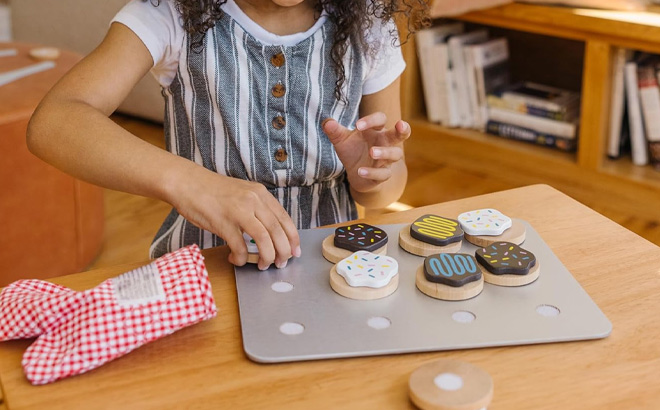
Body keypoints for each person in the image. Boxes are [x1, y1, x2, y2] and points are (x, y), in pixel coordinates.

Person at [26, 0, 428, 271]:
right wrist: (192, 183)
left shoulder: (370, 25)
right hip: (204, 267)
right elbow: (55, 122)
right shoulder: (170, 13)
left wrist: (370, 176)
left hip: (332, 269)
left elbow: (386, 192)